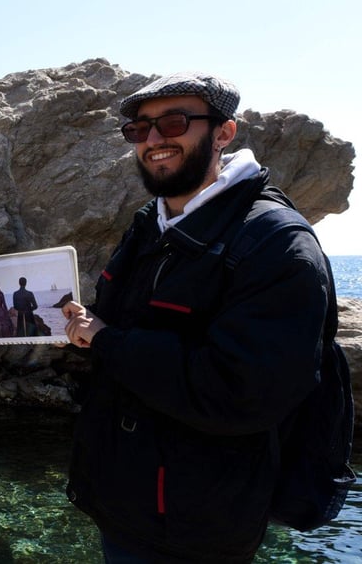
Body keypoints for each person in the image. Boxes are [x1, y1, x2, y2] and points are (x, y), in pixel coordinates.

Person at [61, 72, 334, 562]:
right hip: (123, 505)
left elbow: (239, 391)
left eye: (173, 123)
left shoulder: (278, 243)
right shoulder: (151, 223)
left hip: (196, 529)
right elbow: (118, 329)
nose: (153, 140)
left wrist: (107, 342)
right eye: (139, 130)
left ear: (224, 133)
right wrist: (67, 324)